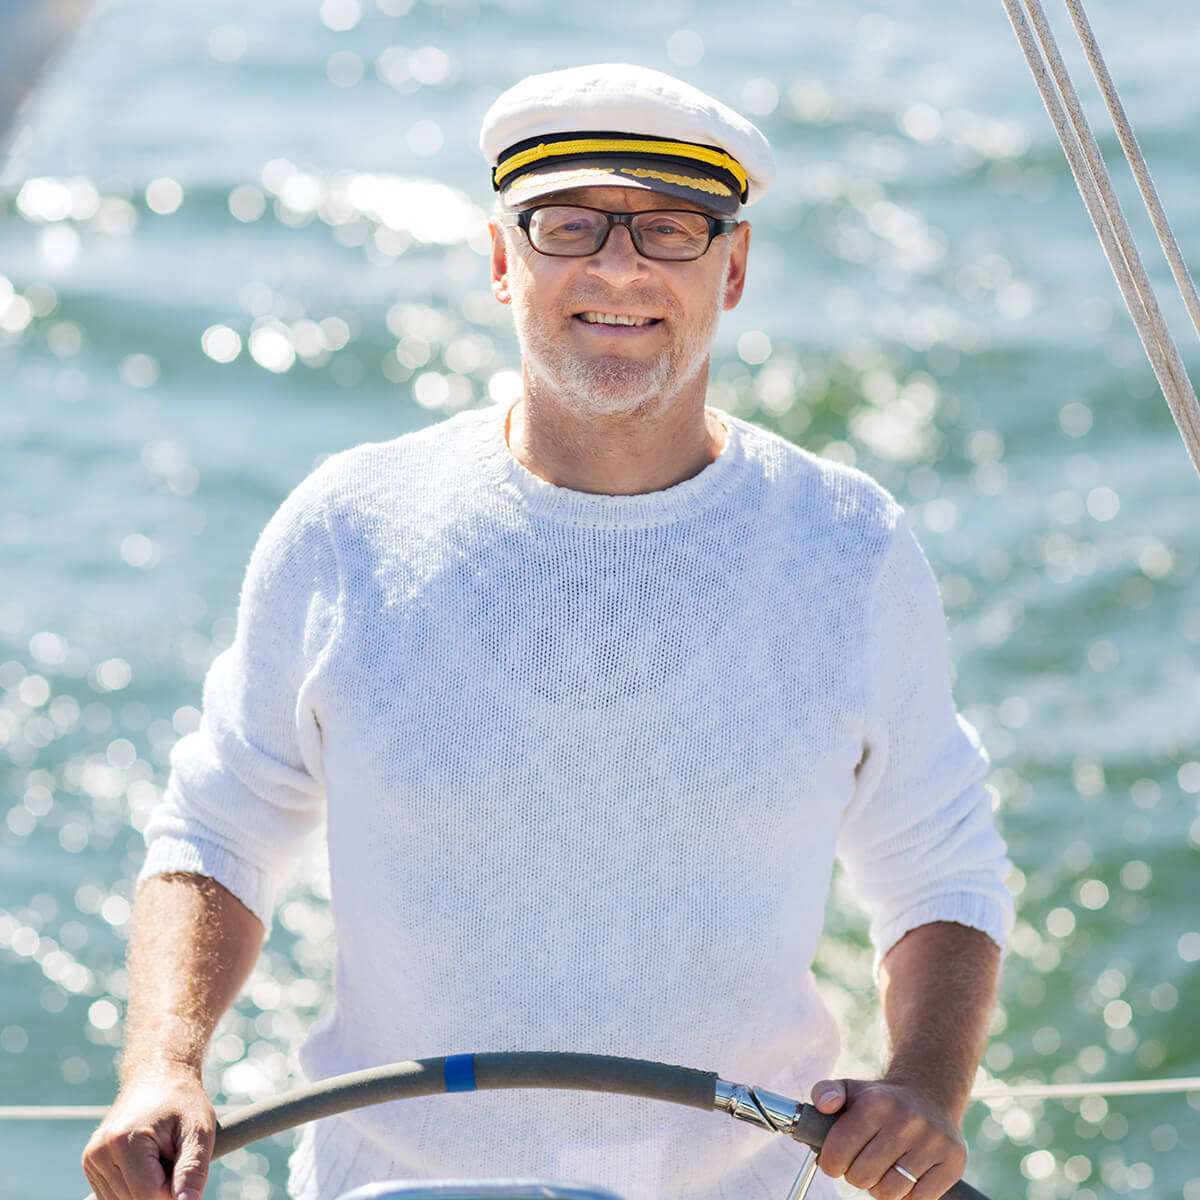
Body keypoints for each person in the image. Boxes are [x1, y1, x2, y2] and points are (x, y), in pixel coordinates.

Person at [82, 62, 1016, 1200]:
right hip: (394, 1189)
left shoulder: (850, 546)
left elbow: (941, 866)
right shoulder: (345, 528)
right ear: (499, 260)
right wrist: (162, 1064)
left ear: (733, 270)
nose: (618, 267)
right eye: (568, 225)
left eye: (671, 228)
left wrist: (924, 1085)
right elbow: (218, 828)